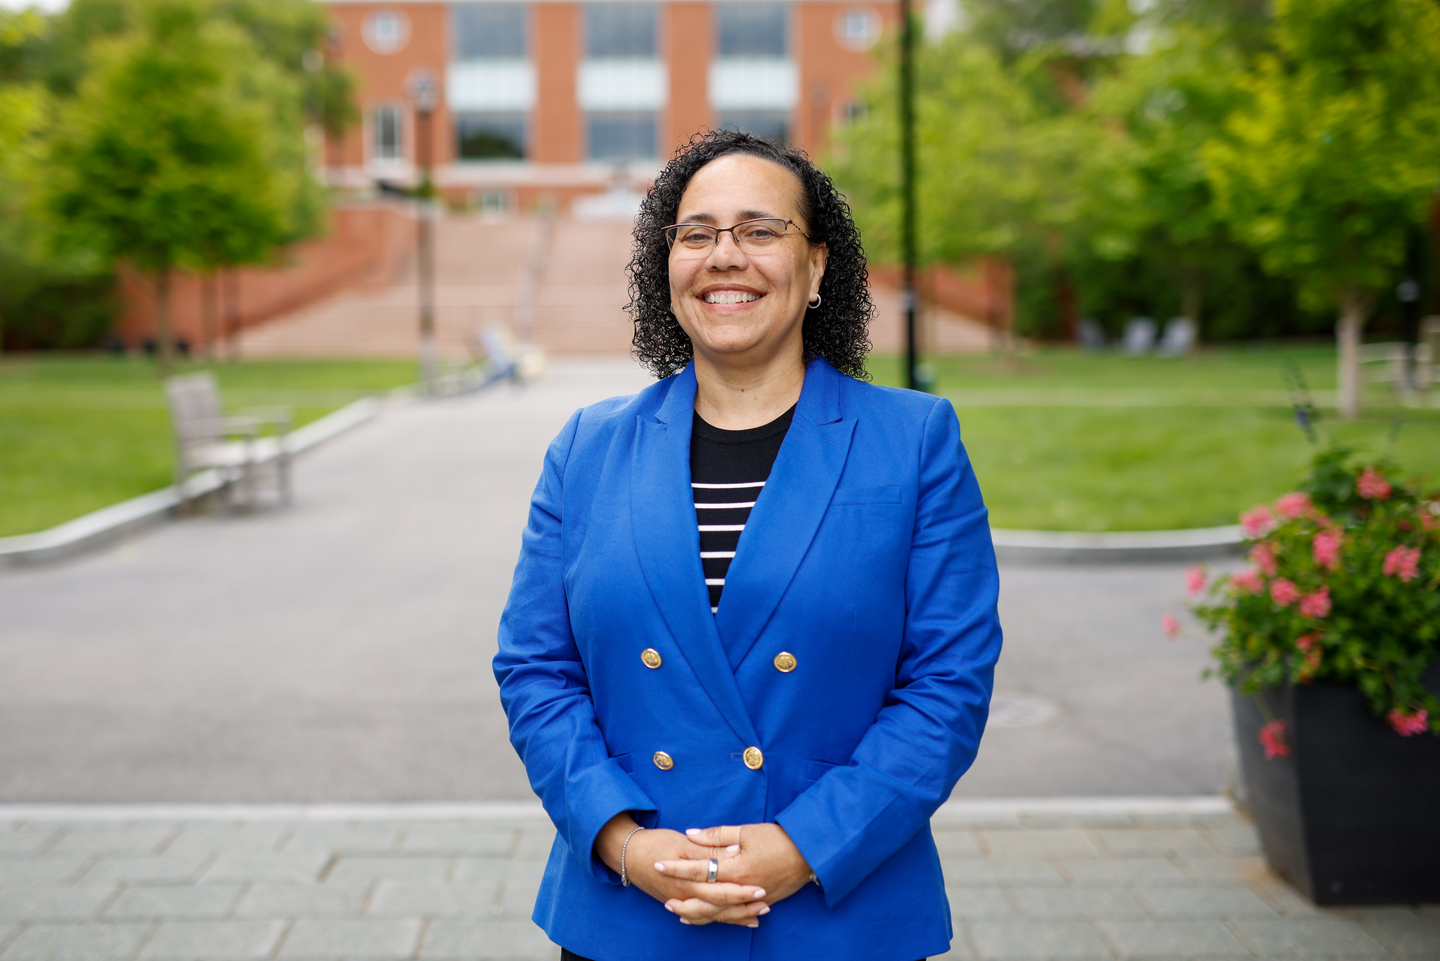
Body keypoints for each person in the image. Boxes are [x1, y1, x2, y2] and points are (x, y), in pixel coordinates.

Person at [494, 129, 1002, 961]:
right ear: (668, 267)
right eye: (697, 234)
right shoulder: (586, 448)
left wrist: (804, 845)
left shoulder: (914, 440)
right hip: (631, 916)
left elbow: (948, 683)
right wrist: (623, 840)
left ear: (816, 268)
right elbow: (535, 668)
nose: (724, 257)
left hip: (840, 913)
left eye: (760, 231)